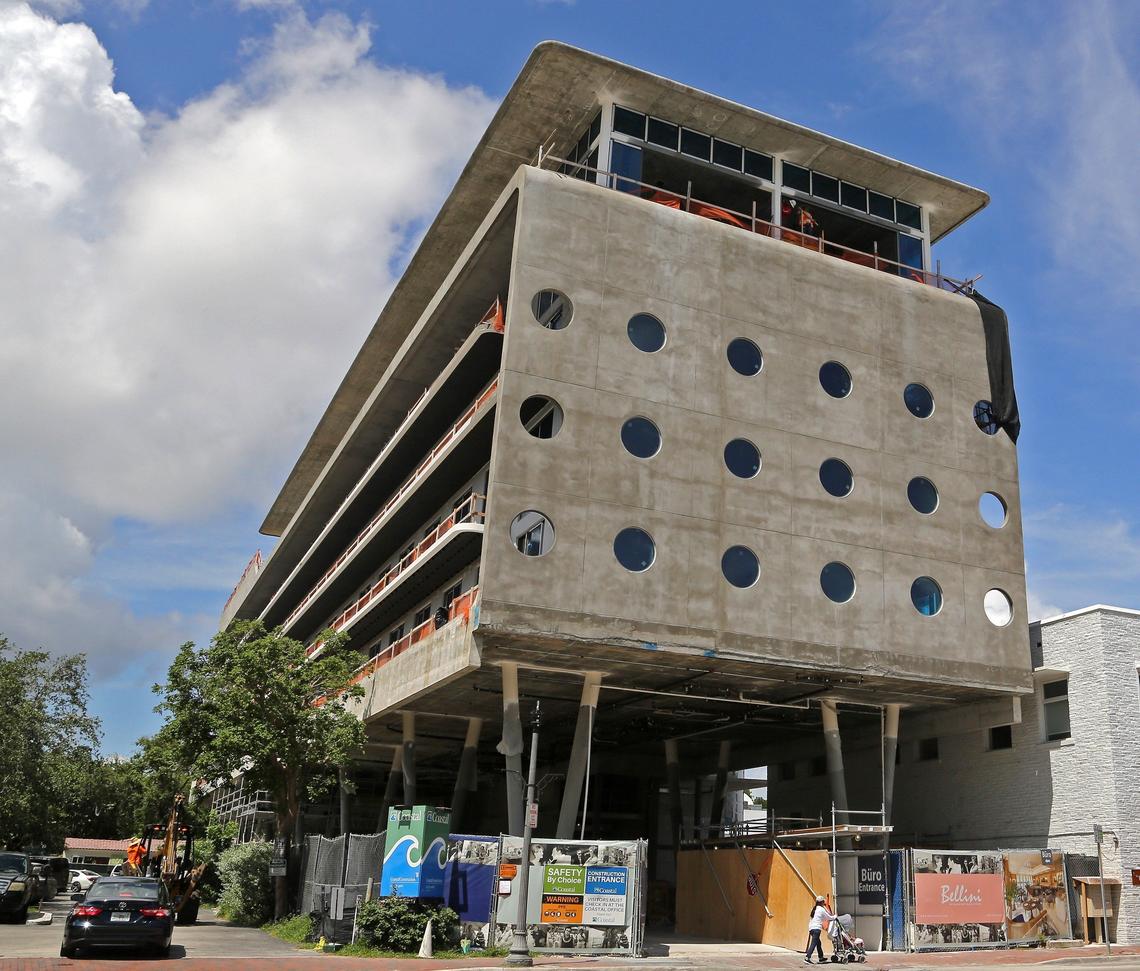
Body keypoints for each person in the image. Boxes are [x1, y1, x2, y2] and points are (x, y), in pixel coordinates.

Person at [805, 894, 835, 964]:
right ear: (821, 902)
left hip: (811, 928)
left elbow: (822, 917)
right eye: (823, 902)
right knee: (814, 943)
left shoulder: (814, 909)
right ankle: (807, 957)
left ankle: (821, 957)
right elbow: (829, 917)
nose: (824, 903)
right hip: (816, 929)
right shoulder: (821, 909)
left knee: (818, 943)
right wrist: (835, 917)